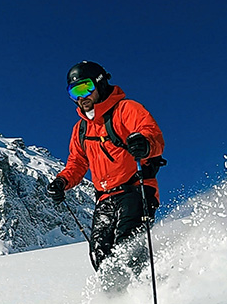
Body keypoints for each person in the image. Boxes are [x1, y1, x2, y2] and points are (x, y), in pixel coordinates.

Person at [47, 61, 165, 290]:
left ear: (99, 83)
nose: (81, 97)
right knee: (100, 256)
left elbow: (153, 135)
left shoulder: (127, 109)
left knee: (127, 247)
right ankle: (118, 302)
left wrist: (144, 144)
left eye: (85, 88)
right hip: (104, 198)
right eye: (74, 92)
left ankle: (146, 295)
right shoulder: (81, 129)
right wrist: (62, 181)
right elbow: (78, 163)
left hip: (135, 189)